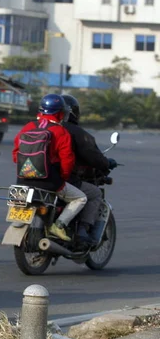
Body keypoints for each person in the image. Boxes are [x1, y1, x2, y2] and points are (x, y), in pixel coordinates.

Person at [13, 94, 87, 241]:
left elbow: (16, 155)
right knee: (80, 198)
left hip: (22, 181)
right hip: (49, 181)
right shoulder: (60, 131)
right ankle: (59, 225)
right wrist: (62, 178)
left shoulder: (28, 127)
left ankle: (19, 218)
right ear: (60, 113)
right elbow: (67, 160)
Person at [61, 94, 118, 245]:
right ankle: (82, 231)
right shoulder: (77, 133)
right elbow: (93, 156)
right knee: (94, 194)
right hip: (60, 179)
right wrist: (106, 164)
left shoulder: (38, 128)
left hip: (30, 177)